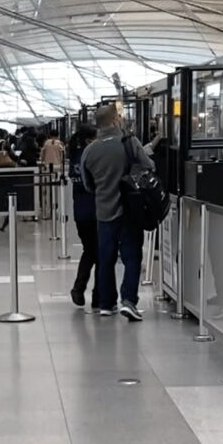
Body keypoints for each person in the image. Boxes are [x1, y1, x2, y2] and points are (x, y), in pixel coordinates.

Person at [81, 103, 153, 321]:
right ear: (114, 121)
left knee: (106, 258)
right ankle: (129, 300)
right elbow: (149, 166)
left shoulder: (89, 150)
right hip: (130, 210)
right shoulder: (129, 143)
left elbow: (87, 185)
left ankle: (106, 303)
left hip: (104, 211)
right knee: (132, 256)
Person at [67, 126, 98, 308]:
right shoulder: (90, 156)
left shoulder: (75, 156)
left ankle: (79, 289)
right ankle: (95, 293)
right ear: (88, 140)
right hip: (95, 210)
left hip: (80, 212)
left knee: (90, 251)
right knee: (99, 253)